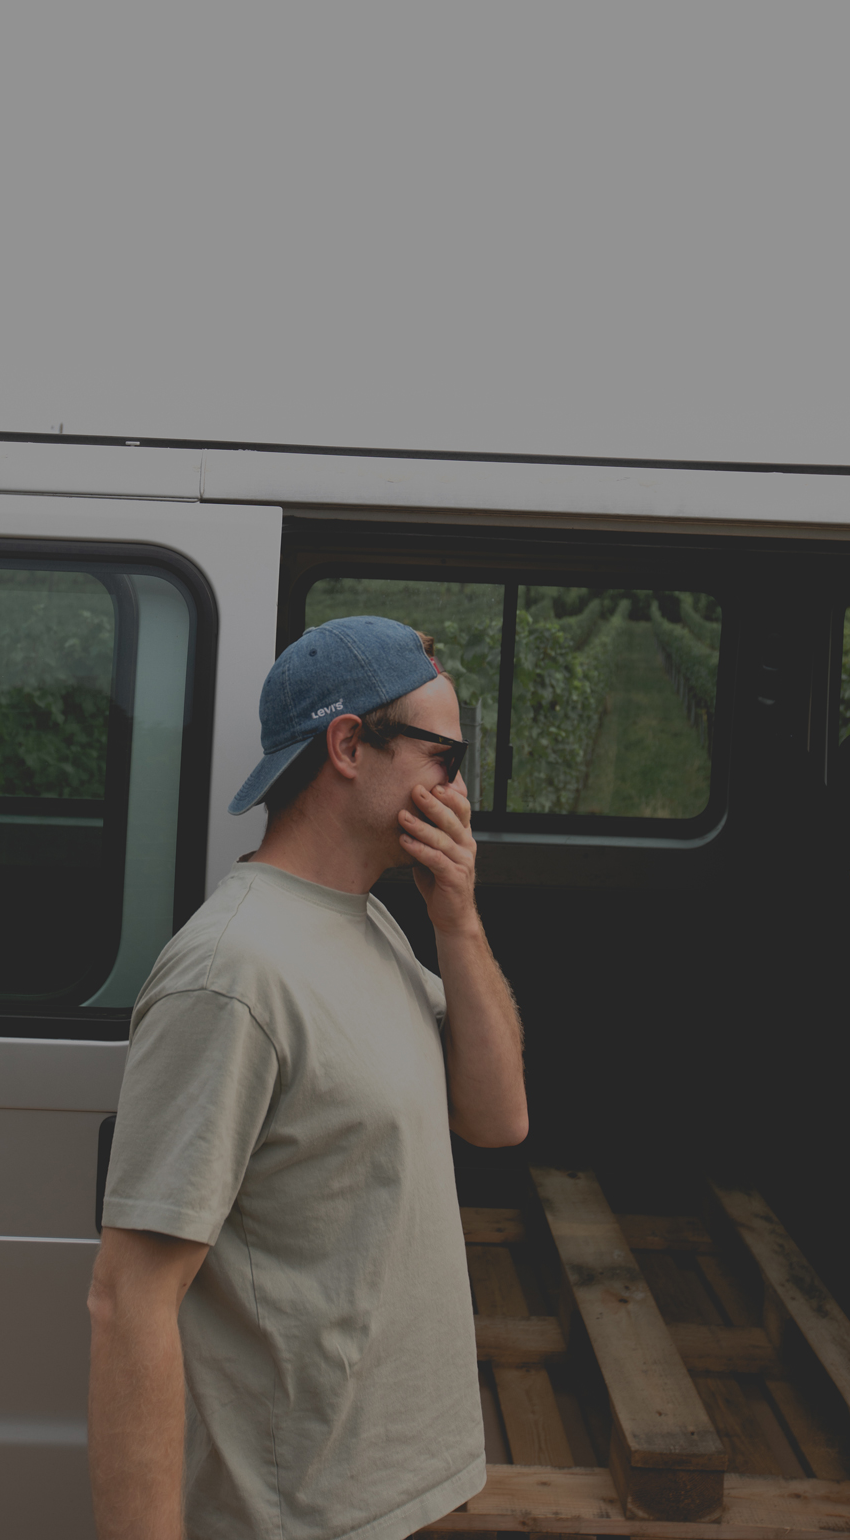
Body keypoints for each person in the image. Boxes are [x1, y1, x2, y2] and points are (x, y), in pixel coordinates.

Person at [88, 615, 527, 1540]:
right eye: (446, 758)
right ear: (349, 746)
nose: (459, 791)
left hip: (392, 1494)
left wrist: (459, 922)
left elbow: (498, 1120)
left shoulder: (369, 922)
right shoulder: (233, 972)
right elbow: (129, 1302)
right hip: (297, 1517)